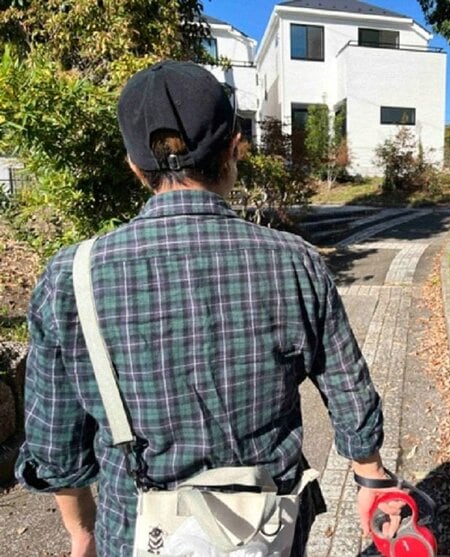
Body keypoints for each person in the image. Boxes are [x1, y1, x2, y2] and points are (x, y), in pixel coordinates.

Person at [16, 60, 388, 557]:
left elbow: (55, 445)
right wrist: (371, 481)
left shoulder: (71, 277)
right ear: (235, 146)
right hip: (267, 525)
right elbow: (348, 389)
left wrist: (82, 533)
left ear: (134, 165)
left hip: (134, 532)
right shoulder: (294, 261)